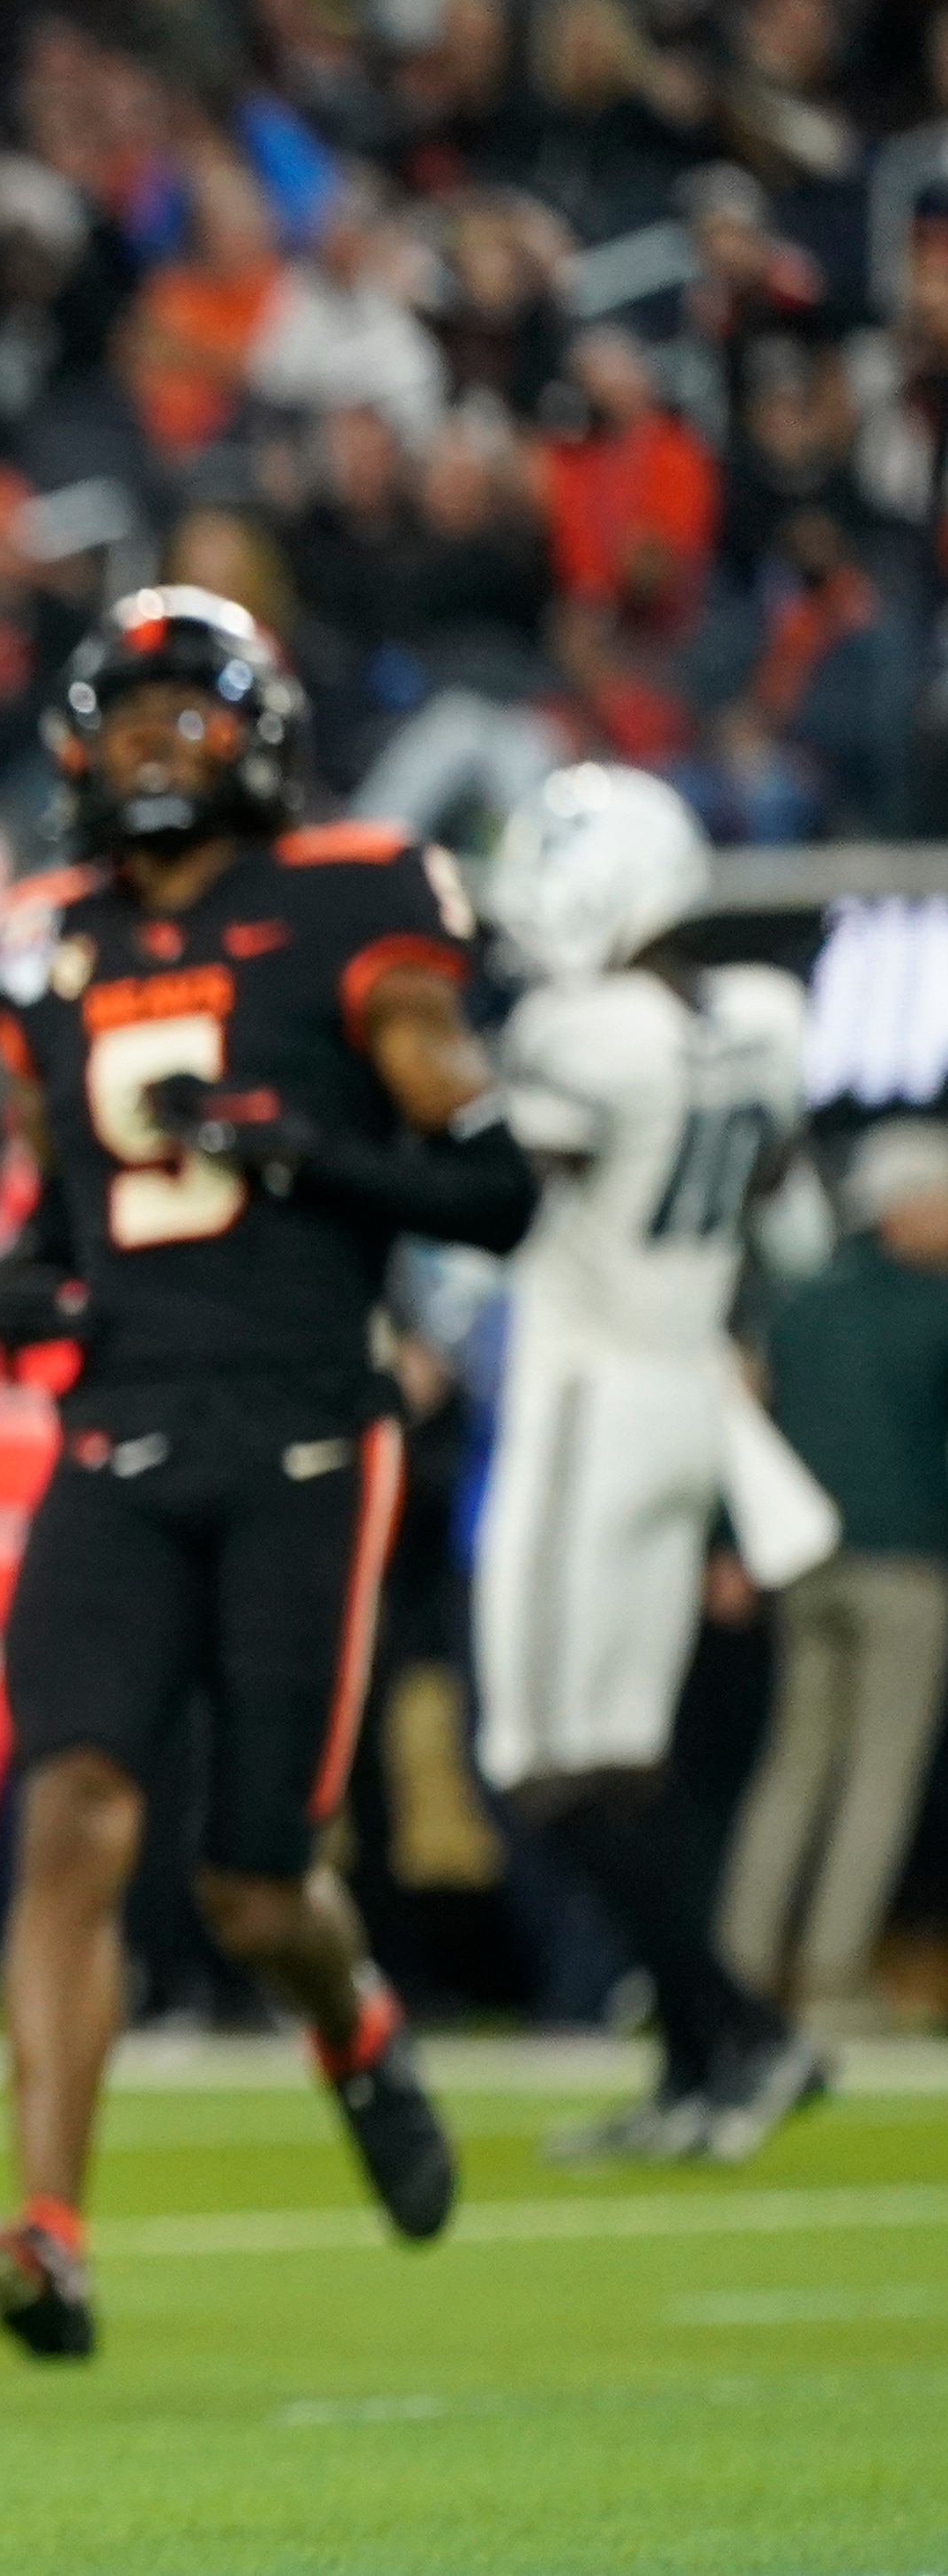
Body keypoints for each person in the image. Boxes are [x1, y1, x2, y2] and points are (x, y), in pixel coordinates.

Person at [0, 588, 537, 2360]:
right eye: (118, 714)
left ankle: (353, 2030)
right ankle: (51, 2228)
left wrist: (306, 1152)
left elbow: (495, 1187)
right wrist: (28, 1276)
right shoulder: (47, 938)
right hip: (117, 1428)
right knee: (73, 1812)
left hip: (302, 1420)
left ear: (260, 732)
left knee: (255, 1885)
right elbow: (62, 1200)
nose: (146, 743)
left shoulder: (359, 900)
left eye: (181, 712)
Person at [476, 765, 827, 2160]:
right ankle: (704, 2061)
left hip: (590, 1399)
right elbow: (778, 1218)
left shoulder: (583, 1031)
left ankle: (735, 2028)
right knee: (616, 1758)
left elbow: (502, 1196)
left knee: (541, 1760)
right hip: (694, 1393)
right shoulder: (760, 1018)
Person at [720, 1121, 948, 2029]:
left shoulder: (801, 1300)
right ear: (903, 1208)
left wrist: (733, 1542)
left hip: (803, 1559)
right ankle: (828, 1975)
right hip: (905, 1563)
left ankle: (737, 1964)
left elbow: (749, 1426)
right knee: (876, 1775)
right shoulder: (934, 1306)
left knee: (794, 1766)